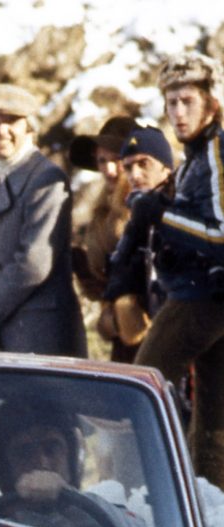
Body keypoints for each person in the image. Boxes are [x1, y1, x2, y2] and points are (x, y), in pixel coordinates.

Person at [128, 55, 224, 486]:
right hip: (203, 295)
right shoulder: (195, 158)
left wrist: (161, 215)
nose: (179, 113)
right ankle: (210, 503)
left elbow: (220, 235)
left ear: (211, 103)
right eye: (171, 103)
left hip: (201, 299)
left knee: (139, 388)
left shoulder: (216, 151)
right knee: (214, 420)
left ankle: (150, 493)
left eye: (188, 101)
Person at [0, 83, 86, 356]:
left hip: (39, 329)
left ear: (29, 128)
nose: (0, 131)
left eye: (11, 121)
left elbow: (34, 263)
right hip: (5, 325)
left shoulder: (46, 178)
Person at [0, 397, 149, 527]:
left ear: (71, 457)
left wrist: (70, 499)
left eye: (52, 448)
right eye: (24, 452)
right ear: (5, 467)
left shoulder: (105, 512)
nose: (43, 463)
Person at [68, 115, 139, 361]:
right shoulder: (102, 210)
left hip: (147, 327)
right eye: (102, 160)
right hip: (121, 331)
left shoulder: (141, 203)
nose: (109, 170)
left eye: (117, 160)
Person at [102, 127, 174, 358]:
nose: (135, 175)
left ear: (166, 168)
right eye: (128, 167)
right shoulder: (135, 216)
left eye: (144, 164)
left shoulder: (181, 212)